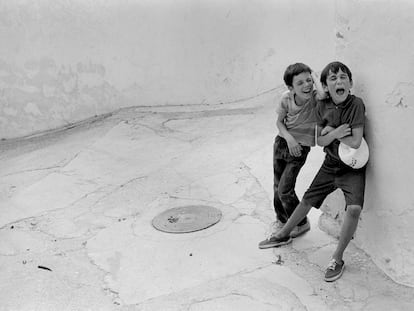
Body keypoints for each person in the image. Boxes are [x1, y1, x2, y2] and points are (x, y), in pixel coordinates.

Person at [259, 61, 368, 282]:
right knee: (307, 199)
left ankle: (337, 258)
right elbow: (320, 140)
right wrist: (333, 132)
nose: (339, 81)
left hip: (352, 168)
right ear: (326, 87)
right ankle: (283, 234)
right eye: (333, 78)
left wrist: (333, 133)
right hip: (330, 163)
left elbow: (355, 142)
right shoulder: (322, 106)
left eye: (343, 77)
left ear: (351, 82)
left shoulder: (356, 104)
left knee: (354, 208)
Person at [259, 63, 325, 249]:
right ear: (290, 87)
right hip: (282, 144)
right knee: (276, 184)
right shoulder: (286, 99)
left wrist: (315, 75)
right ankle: (283, 219)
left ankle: (301, 222)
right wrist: (289, 139)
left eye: (308, 80)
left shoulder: (314, 98)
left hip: (300, 150)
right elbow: (279, 123)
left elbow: (322, 94)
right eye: (300, 83)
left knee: (285, 189)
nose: (306, 85)